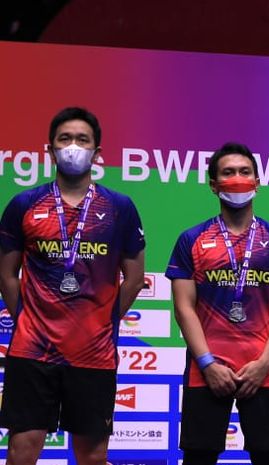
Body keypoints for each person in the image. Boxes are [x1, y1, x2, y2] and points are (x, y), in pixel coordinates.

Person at [0, 107, 146, 464]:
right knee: (22, 449)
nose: (73, 146)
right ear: (49, 149)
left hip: (93, 353)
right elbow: (7, 274)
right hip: (32, 351)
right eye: (65, 139)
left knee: (93, 456)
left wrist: (103, 320)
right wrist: (29, 320)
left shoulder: (119, 208)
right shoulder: (24, 204)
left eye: (83, 140)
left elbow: (136, 277)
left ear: (97, 153)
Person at [166, 142, 269, 465]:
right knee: (198, 459)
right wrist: (207, 363)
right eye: (228, 173)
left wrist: (264, 364)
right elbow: (184, 307)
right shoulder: (192, 239)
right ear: (213, 185)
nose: (237, 179)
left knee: (268, 459)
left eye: (245, 172)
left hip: (264, 370)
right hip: (207, 370)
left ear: (257, 182)